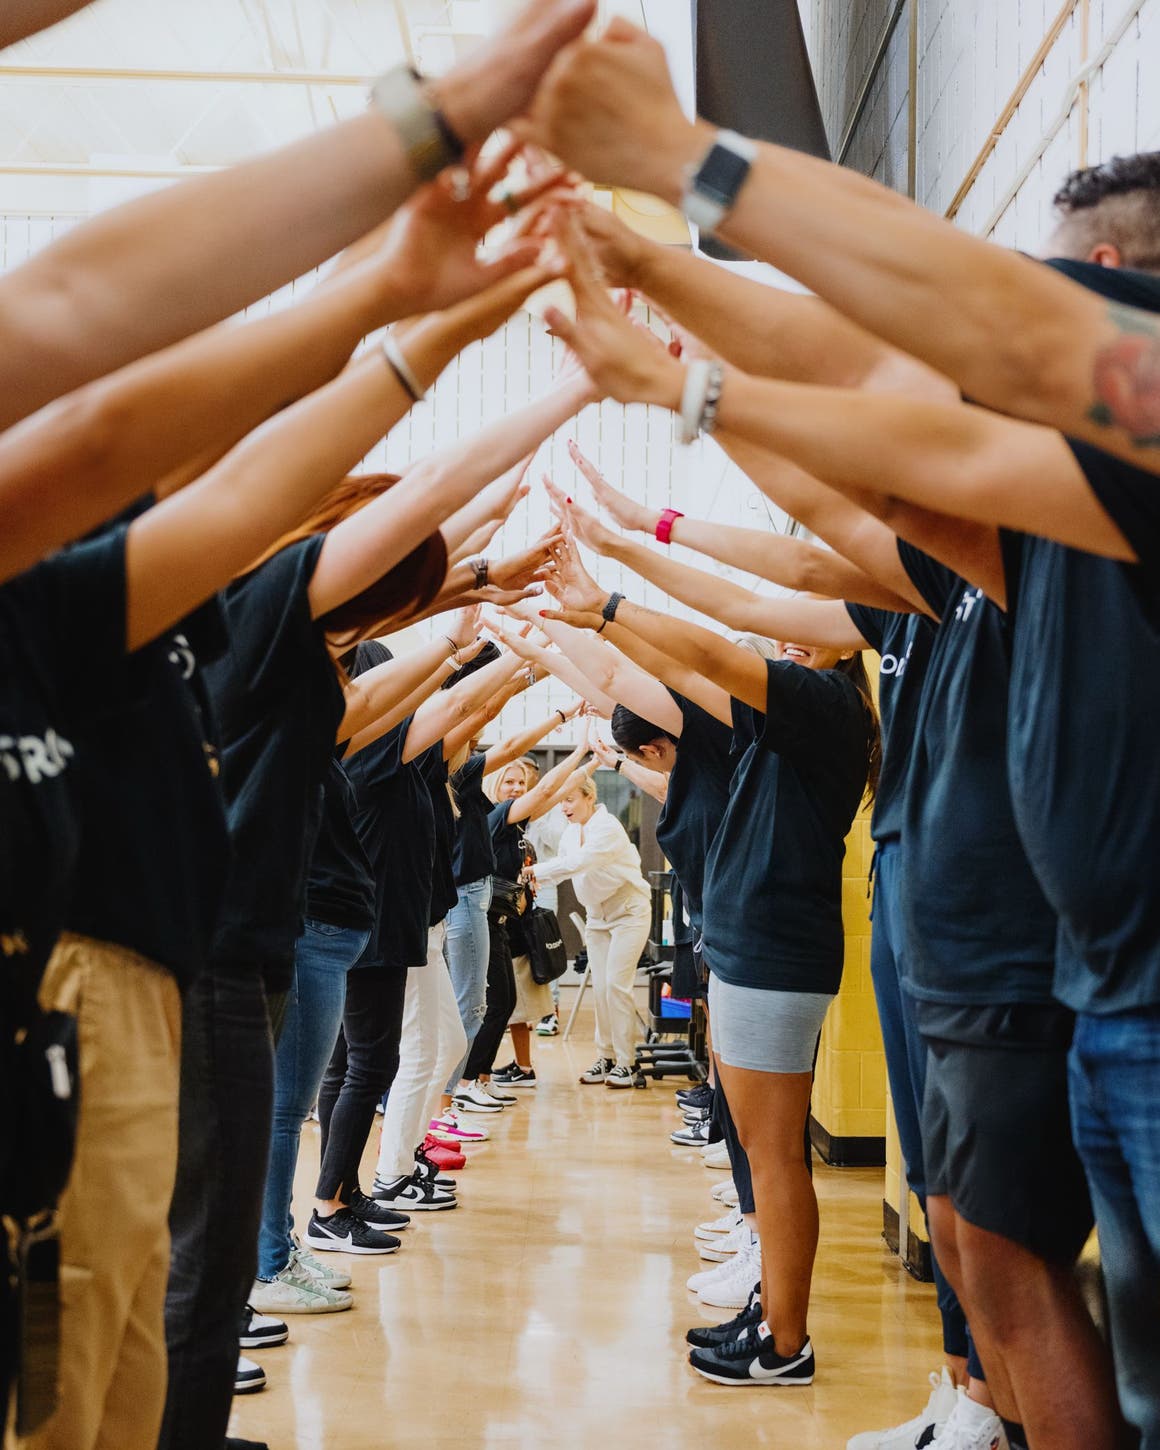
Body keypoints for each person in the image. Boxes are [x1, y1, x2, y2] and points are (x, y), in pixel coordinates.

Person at [545, 553, 877, 1385]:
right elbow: (641, 671)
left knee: (772, 1157)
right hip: (747, 943)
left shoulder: (827, 707)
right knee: (761, 1152)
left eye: (808, 626)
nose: (792, 638)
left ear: (842, 638)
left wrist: (607, 600)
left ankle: (786, 1345)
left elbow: (699, 654)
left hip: (776, 947)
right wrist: (567, 621)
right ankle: (769, 1312)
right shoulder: (778, 718)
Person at [456, 743, 597, 1107]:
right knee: (492, 1004)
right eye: (510, 782)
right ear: (495, 787)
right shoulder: (498, 816)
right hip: (481, 920)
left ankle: (481, 1078)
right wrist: (584, 748)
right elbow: (547, 792)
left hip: (502, 922)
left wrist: (595, 761)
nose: (517, 788)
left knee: (503, 1003)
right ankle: (466, 1081)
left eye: (522, 782)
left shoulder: (516, 823)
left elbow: (550, 796)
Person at [532, 774, 651, 1087]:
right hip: (598, 916)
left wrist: (533, 872)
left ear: (588, 796)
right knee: (600, 987)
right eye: (559, 802)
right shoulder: (571, 833)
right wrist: (531, 879)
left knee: (616, 985)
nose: (563, 807)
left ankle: (629, 1063)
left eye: (569, 799)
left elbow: (577, 863)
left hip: (629, 912)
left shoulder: (607, 827)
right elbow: (562, 866)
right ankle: (607, 1057)